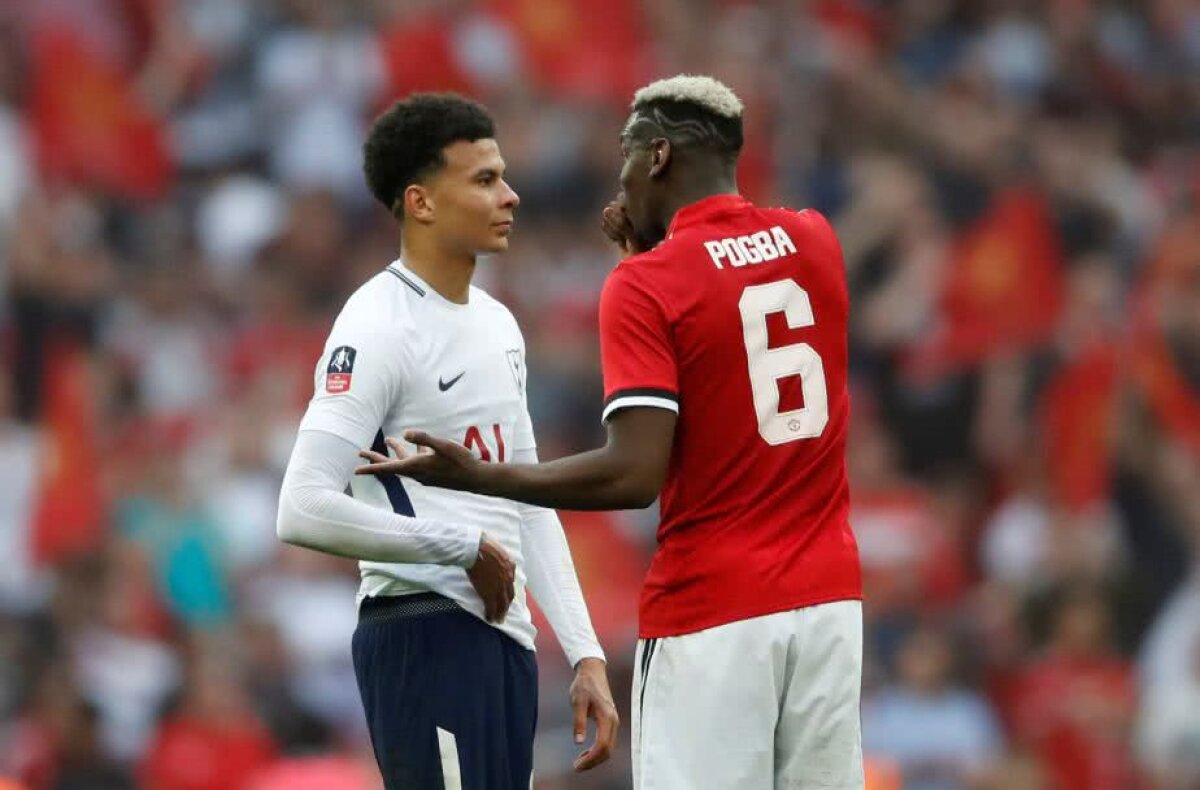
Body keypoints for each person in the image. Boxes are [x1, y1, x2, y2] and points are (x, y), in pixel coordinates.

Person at [358, 75, 865, 789]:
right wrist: (649, 260)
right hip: (830, 603)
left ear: (657, 156)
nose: (619, 183)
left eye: (627, 160)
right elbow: (734, 364)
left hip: (714, 608)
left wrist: (482, 476)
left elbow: (633, 476)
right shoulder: (814, 239)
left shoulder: (646, 285)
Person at [275, 93, 617, 789]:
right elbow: (301, 507)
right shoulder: (376, 325)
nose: (510, 196)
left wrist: (584, 652)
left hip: (505, 642)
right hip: (422, 628)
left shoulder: (497, 323)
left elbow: (528, 497)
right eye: (485, 179)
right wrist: (459, 547)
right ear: (422, 202)